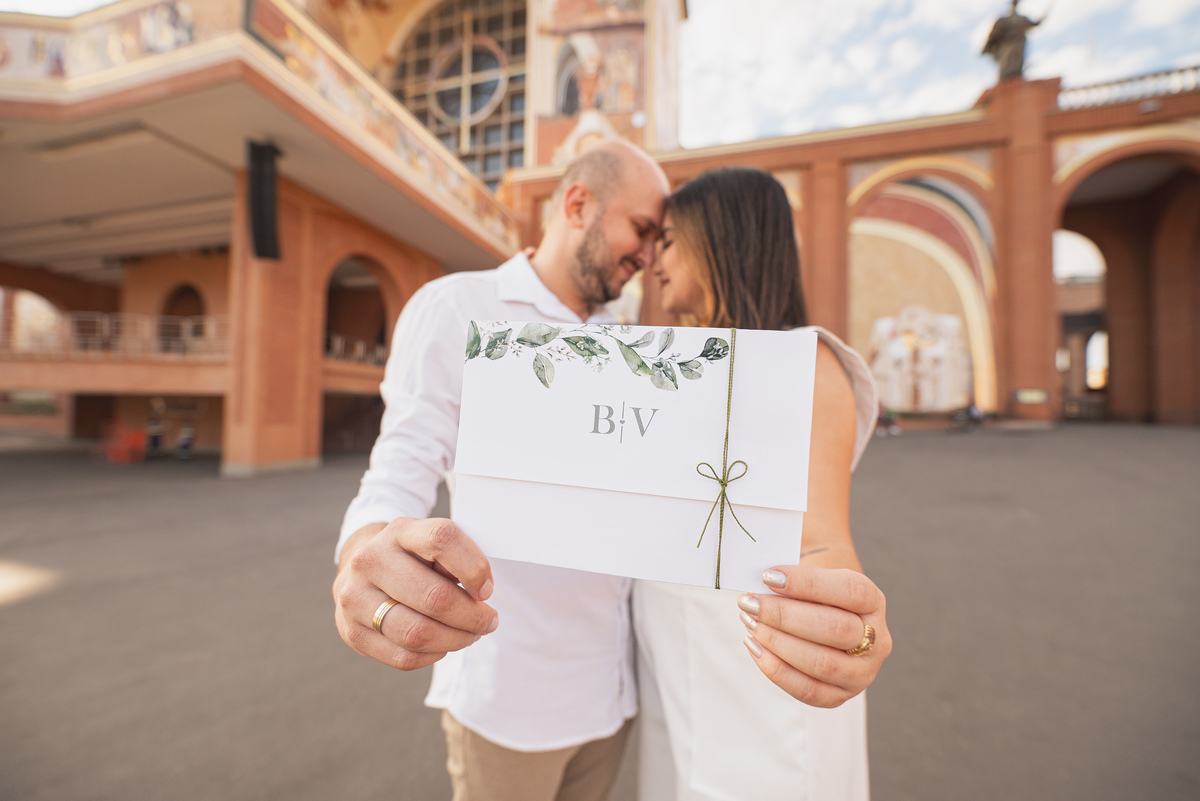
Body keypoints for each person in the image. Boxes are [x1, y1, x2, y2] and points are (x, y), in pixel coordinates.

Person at [333, 139, 670, 801]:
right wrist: (360, 553)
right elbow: (399, 465)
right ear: (578, 203)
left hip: (611, 693)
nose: (650, 255)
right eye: (643, 229)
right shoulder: (457, 308)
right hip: (510, 696)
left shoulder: (628, 345)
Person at [636, 167, 893, 800]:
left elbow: (823, 541)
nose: (653, 261)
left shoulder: (801, 362)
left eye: (667, 239)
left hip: (761, 680)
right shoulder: (674, 363)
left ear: (724, 240)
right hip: (675, 672)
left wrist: (850, 625)